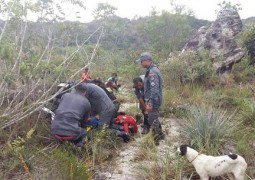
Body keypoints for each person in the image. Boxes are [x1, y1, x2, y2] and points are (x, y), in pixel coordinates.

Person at [135, 52, 165, 145]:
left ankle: (156, 141)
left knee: (153, 119)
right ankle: (160, 135)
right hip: (152, 99)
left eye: (142, 61)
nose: (141, 63)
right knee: (153, 118)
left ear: (147, 61)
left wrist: (150, 103)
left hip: (153, 100)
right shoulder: (150, 70)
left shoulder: (153, 72)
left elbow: (154, 89)